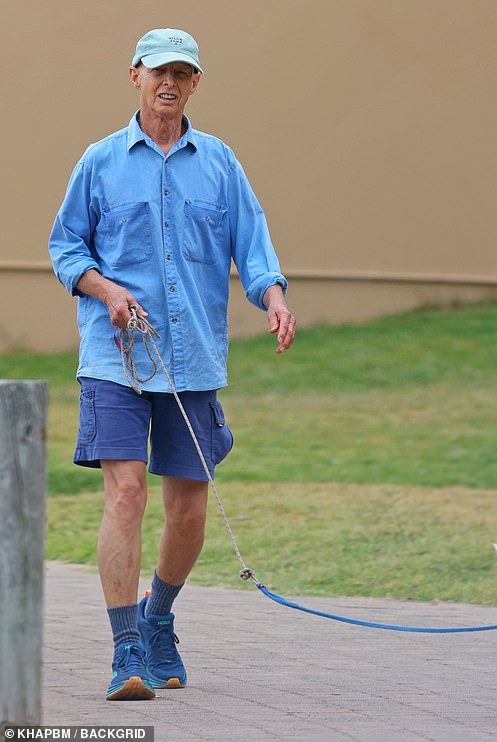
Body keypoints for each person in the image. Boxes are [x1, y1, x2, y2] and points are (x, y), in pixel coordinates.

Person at [49, 28, 296, 701]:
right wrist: (107, 290)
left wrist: (272, 297)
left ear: (194, 84)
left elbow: (254, 237)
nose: (169, 84)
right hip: (116, 358)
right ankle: (126, 648)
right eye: (159, 72)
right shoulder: (99, 162)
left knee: (188, 509)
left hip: (193, 360)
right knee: (125, 492)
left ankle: (159, 620)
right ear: (134, 75)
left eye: (183, 74)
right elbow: (67, 248)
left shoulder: (219, 163)